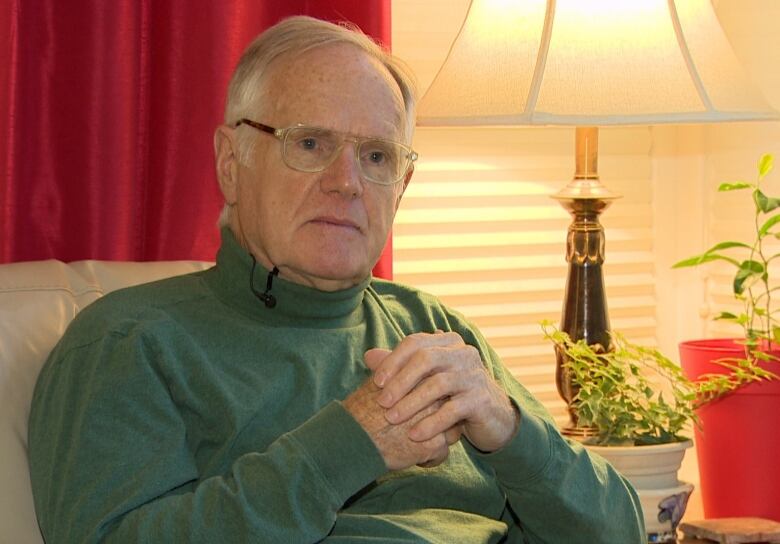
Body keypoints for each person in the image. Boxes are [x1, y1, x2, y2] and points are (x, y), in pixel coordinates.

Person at [28, 16, 645, 543]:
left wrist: (512, 432)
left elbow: (621, 528)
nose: (346, 181)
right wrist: (352, 443)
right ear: (230, 162)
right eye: (311, 142)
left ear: (401, 187)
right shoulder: (129, 342)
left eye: (376, 156)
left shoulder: (434, 330)